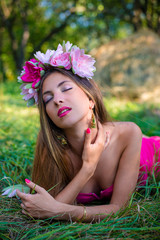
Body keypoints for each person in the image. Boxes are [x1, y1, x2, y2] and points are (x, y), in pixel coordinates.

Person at [2, 41, 160, 222]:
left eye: (66, 89)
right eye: (48, 98)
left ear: (90, 98)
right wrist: (87, 169)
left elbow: (120, 209)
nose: (57, 100)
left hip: (152, 151)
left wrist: (62, 211)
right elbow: (49, 207)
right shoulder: (51, 150)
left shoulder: (129, 133)